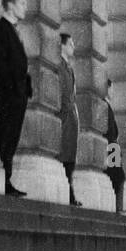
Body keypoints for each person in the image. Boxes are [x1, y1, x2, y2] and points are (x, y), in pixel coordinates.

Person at [0, 0, 30, 197]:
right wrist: (13, 88)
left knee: (12, 136)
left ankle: (6, 179)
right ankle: (2, 179)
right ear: (10, 5)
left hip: (18, 93)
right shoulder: (2, 29)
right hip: (9, 93)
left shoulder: (13, 29)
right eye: (22, 3)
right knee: (5, 135)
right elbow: (1, 63)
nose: (25, 7)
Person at [58, 32, 81, 206]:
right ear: (62, 45)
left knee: (70, 156)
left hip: (71, 119)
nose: (73, 47)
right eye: (71, 43)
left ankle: (70, 193)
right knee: (65, 156)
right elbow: (63, 94)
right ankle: (69, 194)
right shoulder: (60, 66)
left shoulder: (69, 68)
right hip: (65, 119)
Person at [105, 77, 124, 212]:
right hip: (112, 149)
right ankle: (117, 207)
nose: (112, 92)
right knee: (118, 176)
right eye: (111, 89)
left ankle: (117, 207)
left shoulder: (107, 106)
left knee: (117, 176)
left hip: (113, 148)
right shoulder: (105, 106)